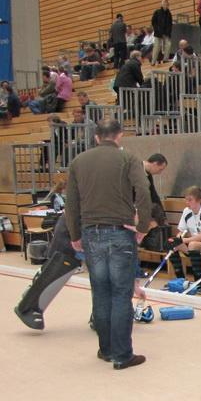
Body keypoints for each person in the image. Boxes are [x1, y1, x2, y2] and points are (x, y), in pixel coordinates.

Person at [64, 119, 151, 369]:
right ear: (119, 136)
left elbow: (71, 202)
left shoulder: (79, 161)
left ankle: (106, 349)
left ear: (96, 137)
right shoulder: (128, 159)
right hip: (120, 232)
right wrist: (143, 226)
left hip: (91, 233)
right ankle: (122, 355)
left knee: (100, 292)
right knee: (121, 294)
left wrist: (74, 234)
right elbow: (143, 191)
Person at [168, 186, 201, 282]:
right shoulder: (187, 211)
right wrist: (178, 239)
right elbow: (181, 231)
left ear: (199, 200)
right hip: (194, 244)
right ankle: (181, 279)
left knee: (193, 244)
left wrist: (183, 240)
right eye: (186, 200)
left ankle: (198, 280)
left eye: (190, 200)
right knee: (171, 243)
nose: (187, 202)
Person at [151, 0, 173, 65]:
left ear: (168, 5)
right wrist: (156, 29)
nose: (165, 5)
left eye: (166, 4)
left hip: (166, 32)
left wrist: (168, 32)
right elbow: (153, 22)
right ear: (162, 4)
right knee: (157, 47)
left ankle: (165, 59)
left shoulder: (169, 14)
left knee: (168, 45)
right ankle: (153, 61)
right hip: (158, 32)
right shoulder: (157, 12)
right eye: (164, 4)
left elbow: (170, 24)